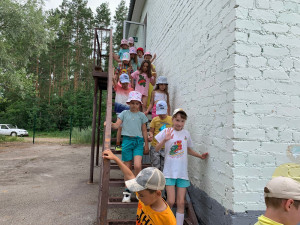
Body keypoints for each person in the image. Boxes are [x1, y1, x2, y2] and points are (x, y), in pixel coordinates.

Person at [155, 108, 209, 225]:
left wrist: (200, 156)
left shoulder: (186, 134)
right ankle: (165, 221)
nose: (179, 123)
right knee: (170, 201)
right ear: (173, 119)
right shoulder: (167, 131)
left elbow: (188, 149)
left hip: (182, 173)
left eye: (182, 121)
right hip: (169, 172)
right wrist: (165, 140)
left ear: (185, 122)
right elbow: (156, 148)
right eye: (177, 120)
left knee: (180, 203)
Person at [102, 149, 177, 224]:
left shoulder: (168, 219)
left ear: (157, 193)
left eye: (141, 195)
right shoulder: (144, 194)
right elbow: (129, 175)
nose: (138, 197)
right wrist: (115, 158)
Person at [110, 91, 149, 202]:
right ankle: (127, 191)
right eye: (132, 103)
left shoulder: (142, 116)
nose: (134, 105)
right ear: (129, 103)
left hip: (138, 142)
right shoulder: (124, 113)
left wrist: (146, 144)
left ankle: (137, 189)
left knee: (137, 166)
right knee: (127, 167)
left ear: (140, 104)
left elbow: (144, 130)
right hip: (127, 141)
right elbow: (117, 125)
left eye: (137, 103)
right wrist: (110, 124)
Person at [148, 100, 173, 171]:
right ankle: (156, 181)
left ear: (167, 110)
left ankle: (163, 181)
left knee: (165, 167)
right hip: (156, 146)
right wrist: (151, 135)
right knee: (155, 167)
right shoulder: (155, 120)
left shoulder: (171, 119)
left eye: (163, 113)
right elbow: (151, 131)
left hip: (166, 147)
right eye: (159, 113)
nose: (161, 115)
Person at [113, 73, 134, 151]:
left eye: (126, 83)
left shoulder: (131, 90)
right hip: (120, 111)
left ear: (128, 82)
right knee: (120, 128)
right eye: (123, 83)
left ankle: (127, 145)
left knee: (128, 128)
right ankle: (118, 144)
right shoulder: (118, 88)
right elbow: (114, 81)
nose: (125, 84)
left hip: (128, 111)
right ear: (120, 82)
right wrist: (113, 74)